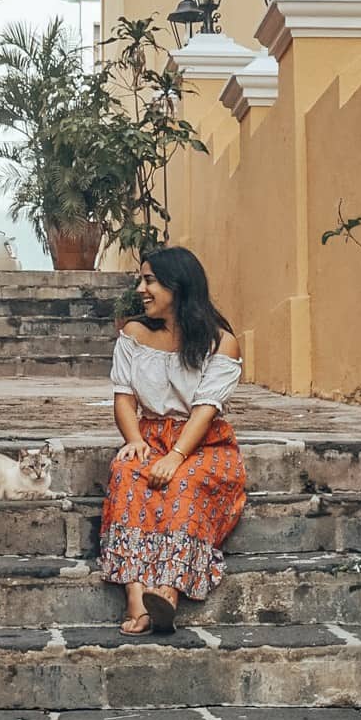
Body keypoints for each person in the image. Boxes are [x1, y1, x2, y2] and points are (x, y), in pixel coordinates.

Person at [100, 245, 246, 635]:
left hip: (203, 443)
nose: (140, 289)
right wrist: (133, 440)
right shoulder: (133, 334)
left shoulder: (220, 343)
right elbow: (123, 398)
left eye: (149, 280)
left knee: (186, 484)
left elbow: (205, 409)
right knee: (127, 475)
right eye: (140, 280)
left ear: (177, 286)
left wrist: (178, 455)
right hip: (148, 434)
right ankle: (136, 599)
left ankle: (167, 591)